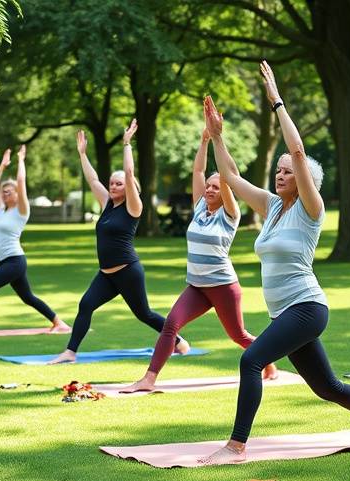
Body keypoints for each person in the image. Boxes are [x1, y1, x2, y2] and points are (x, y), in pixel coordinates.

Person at [198, 61, 350, 465]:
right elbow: (228, 176)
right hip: (286, 313)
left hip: (306, 308)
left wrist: (276, 100)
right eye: (277, 171)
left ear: (302, 178)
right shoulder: (272, 206)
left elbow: (297, 151)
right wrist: (217, 137)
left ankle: (236, 446)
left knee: (252, 359)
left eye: (286, 172)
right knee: (327, 386)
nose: (280, 175)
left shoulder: (311, 209)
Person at [119, 125, 277, 392]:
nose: (210, 190)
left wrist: (218, 139)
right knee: (170, 324)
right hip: (197, 286)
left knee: (238, 335)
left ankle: (268, 360)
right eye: (208, 187)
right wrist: (203, 141)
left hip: (223, 286)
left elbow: (226, 177)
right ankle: (149, 378)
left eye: (216, 187)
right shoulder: (200, 207)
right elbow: (198, 172)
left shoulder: (229, 214)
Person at [49, 120, 188, 364]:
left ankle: (177, 341)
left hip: (128, 271)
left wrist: (126, 144)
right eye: (112, 183)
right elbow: (93, 180)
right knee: (86, 305)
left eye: (118, 183)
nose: (113, 186)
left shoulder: (133, 206)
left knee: (143, 314)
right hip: (106, 274)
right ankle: (70, 352)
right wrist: (82, 155)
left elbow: (130, 172)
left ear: (129, 187)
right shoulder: (107, 204)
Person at [0, 146, 70, 337]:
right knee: (28, 297)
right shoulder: (0, 209)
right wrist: (3, 165)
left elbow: (22, 182)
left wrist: (21, 160)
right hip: (4, 262)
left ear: (17, 194)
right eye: (4, 192)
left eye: (9, 191)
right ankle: (59, 323)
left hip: (14, 261)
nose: (5, 194)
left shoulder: (21, 211)